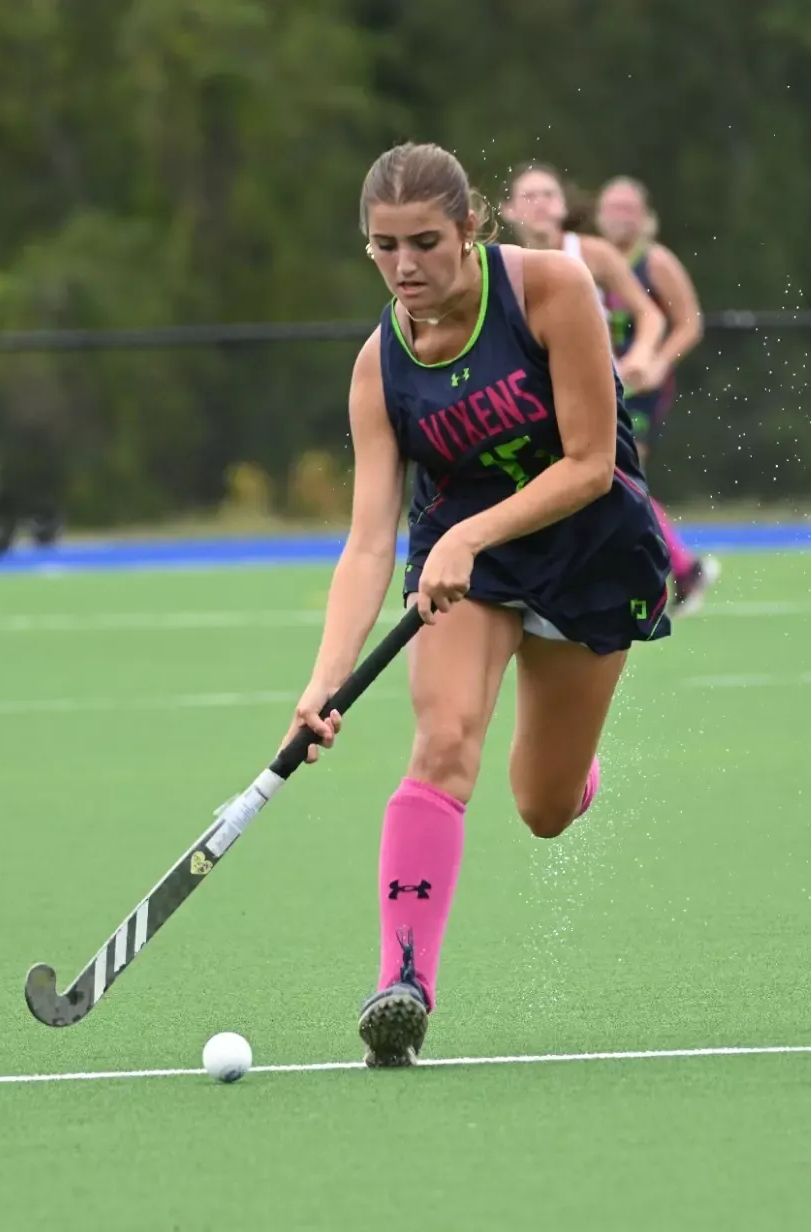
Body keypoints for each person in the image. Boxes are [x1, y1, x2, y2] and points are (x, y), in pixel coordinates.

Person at [288, 142, 671, 1067]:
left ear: (470, 228)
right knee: (444, 743)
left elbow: (588, 464)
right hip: (470, 571)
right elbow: (371, 538)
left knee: (541, 807)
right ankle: (403, 985)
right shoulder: (379, 366)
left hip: (588, 548)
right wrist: (324, 680)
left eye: (423, 241)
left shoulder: (549, 290)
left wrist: (465, 535)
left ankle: (571, 773)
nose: (404, 267)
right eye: (383, 247)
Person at [500, 163, 712, 612]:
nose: (539, 204)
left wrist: (646, 357)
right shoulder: (501, 264)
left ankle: (671, 569)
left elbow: (656, 316)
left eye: (548, 194)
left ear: (564, 205)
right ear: (508, 209)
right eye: (528, 196)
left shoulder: (594, 254)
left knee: (613, 477)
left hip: (611, 391)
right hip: (545, 399)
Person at [595, 175, 721, 612]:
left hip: (640, 392)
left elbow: (689, 322)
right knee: (613, 482)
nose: (619, 215)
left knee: (623, 479)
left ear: (646, 216)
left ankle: (681, 570)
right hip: (599, 387)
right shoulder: (593, 258)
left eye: (629, 207)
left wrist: (658, 362)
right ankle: (679, 570)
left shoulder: (655, 261)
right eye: (612, 206)